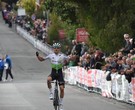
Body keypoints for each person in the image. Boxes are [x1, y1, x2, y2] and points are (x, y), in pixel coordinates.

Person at [36, 42, 71, 110]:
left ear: (59, 49)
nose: (56, 49)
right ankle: (51, 93)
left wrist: (73, 57)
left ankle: (60, 104)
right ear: (53, 49)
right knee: (48, 79)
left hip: (60, 74)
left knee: (62, 89)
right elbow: (42, 59)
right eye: (55, 48)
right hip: (53, 73)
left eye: (57, 48)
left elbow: (70, 59)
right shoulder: (50, 55)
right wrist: (38, 56)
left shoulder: (62, 56)